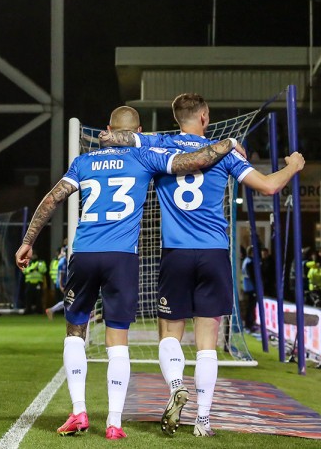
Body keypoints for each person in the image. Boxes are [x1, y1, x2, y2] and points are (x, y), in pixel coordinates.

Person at [15, 105, 240, 440]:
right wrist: (228, 144)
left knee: (75, 331)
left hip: (85, 254)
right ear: (135, 132)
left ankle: (79, 411)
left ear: (110, 128)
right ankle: (115, 423)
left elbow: (52, 199)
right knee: (117, 339)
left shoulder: (84, 162)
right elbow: (193, 162)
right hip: (122, 259)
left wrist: (28, 240)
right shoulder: (144, 157)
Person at [101, 93, 305, 438]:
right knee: (207, 340)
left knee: (169, 334)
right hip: (213, 254)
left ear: (176, 117)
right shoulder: (223, 154)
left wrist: (115, 136)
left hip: (176, 253)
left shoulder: (162, 146)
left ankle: (176, 386)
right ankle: (204, 420)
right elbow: (270, 187)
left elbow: (121, 138)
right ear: (205, 117)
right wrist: (294, 165)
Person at [22, 250, 47, 315]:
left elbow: (44, 270)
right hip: (29, 282)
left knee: (38, 297)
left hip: (38, 282)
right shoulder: (27, 262)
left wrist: (37, 269)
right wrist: (32, 269)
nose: (33, 256)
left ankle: (39, 310)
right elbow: (24, 271)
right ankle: (28, 310)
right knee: (28, 297)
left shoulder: (41, 262)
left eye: (34, 255)